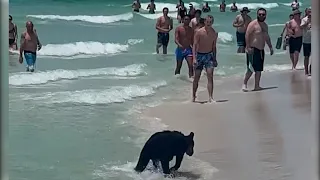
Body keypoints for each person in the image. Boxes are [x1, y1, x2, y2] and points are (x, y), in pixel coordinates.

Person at [242, 8, 273, 92]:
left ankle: (257, 86)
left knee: (259, 69)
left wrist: (270, 47)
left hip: (261, 50)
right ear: (257, 14)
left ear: (265, 15)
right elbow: (247, 35)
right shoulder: (253, 24)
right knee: (251, 69)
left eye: (263, 14)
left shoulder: (265, 25)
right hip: (252, 49)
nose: (261, 16)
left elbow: (266, 37)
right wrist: (248, 47)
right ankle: (244, 84)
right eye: (260, 14)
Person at [192, 15, 218, 102]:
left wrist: (214, 58)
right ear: (204, 22)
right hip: (199, 55)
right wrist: (194, 58)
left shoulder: (214, 33)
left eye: (210, 22)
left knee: (210, 75)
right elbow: (194, 46)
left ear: (212, 23)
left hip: (209, 56)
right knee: (197, 77)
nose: (209, 23)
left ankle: (211, 97)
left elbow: (214, 47)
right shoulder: (199, 32)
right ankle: (193, 96)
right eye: (207, 22)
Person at [300, 8, 311, 76]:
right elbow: (301, 27)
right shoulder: (304, 19)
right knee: (306, 56)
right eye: (309, 11)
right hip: (306, 41)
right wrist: (307, 22)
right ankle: (306, 71)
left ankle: (311, 70)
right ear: (306, 12)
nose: (310, 13)